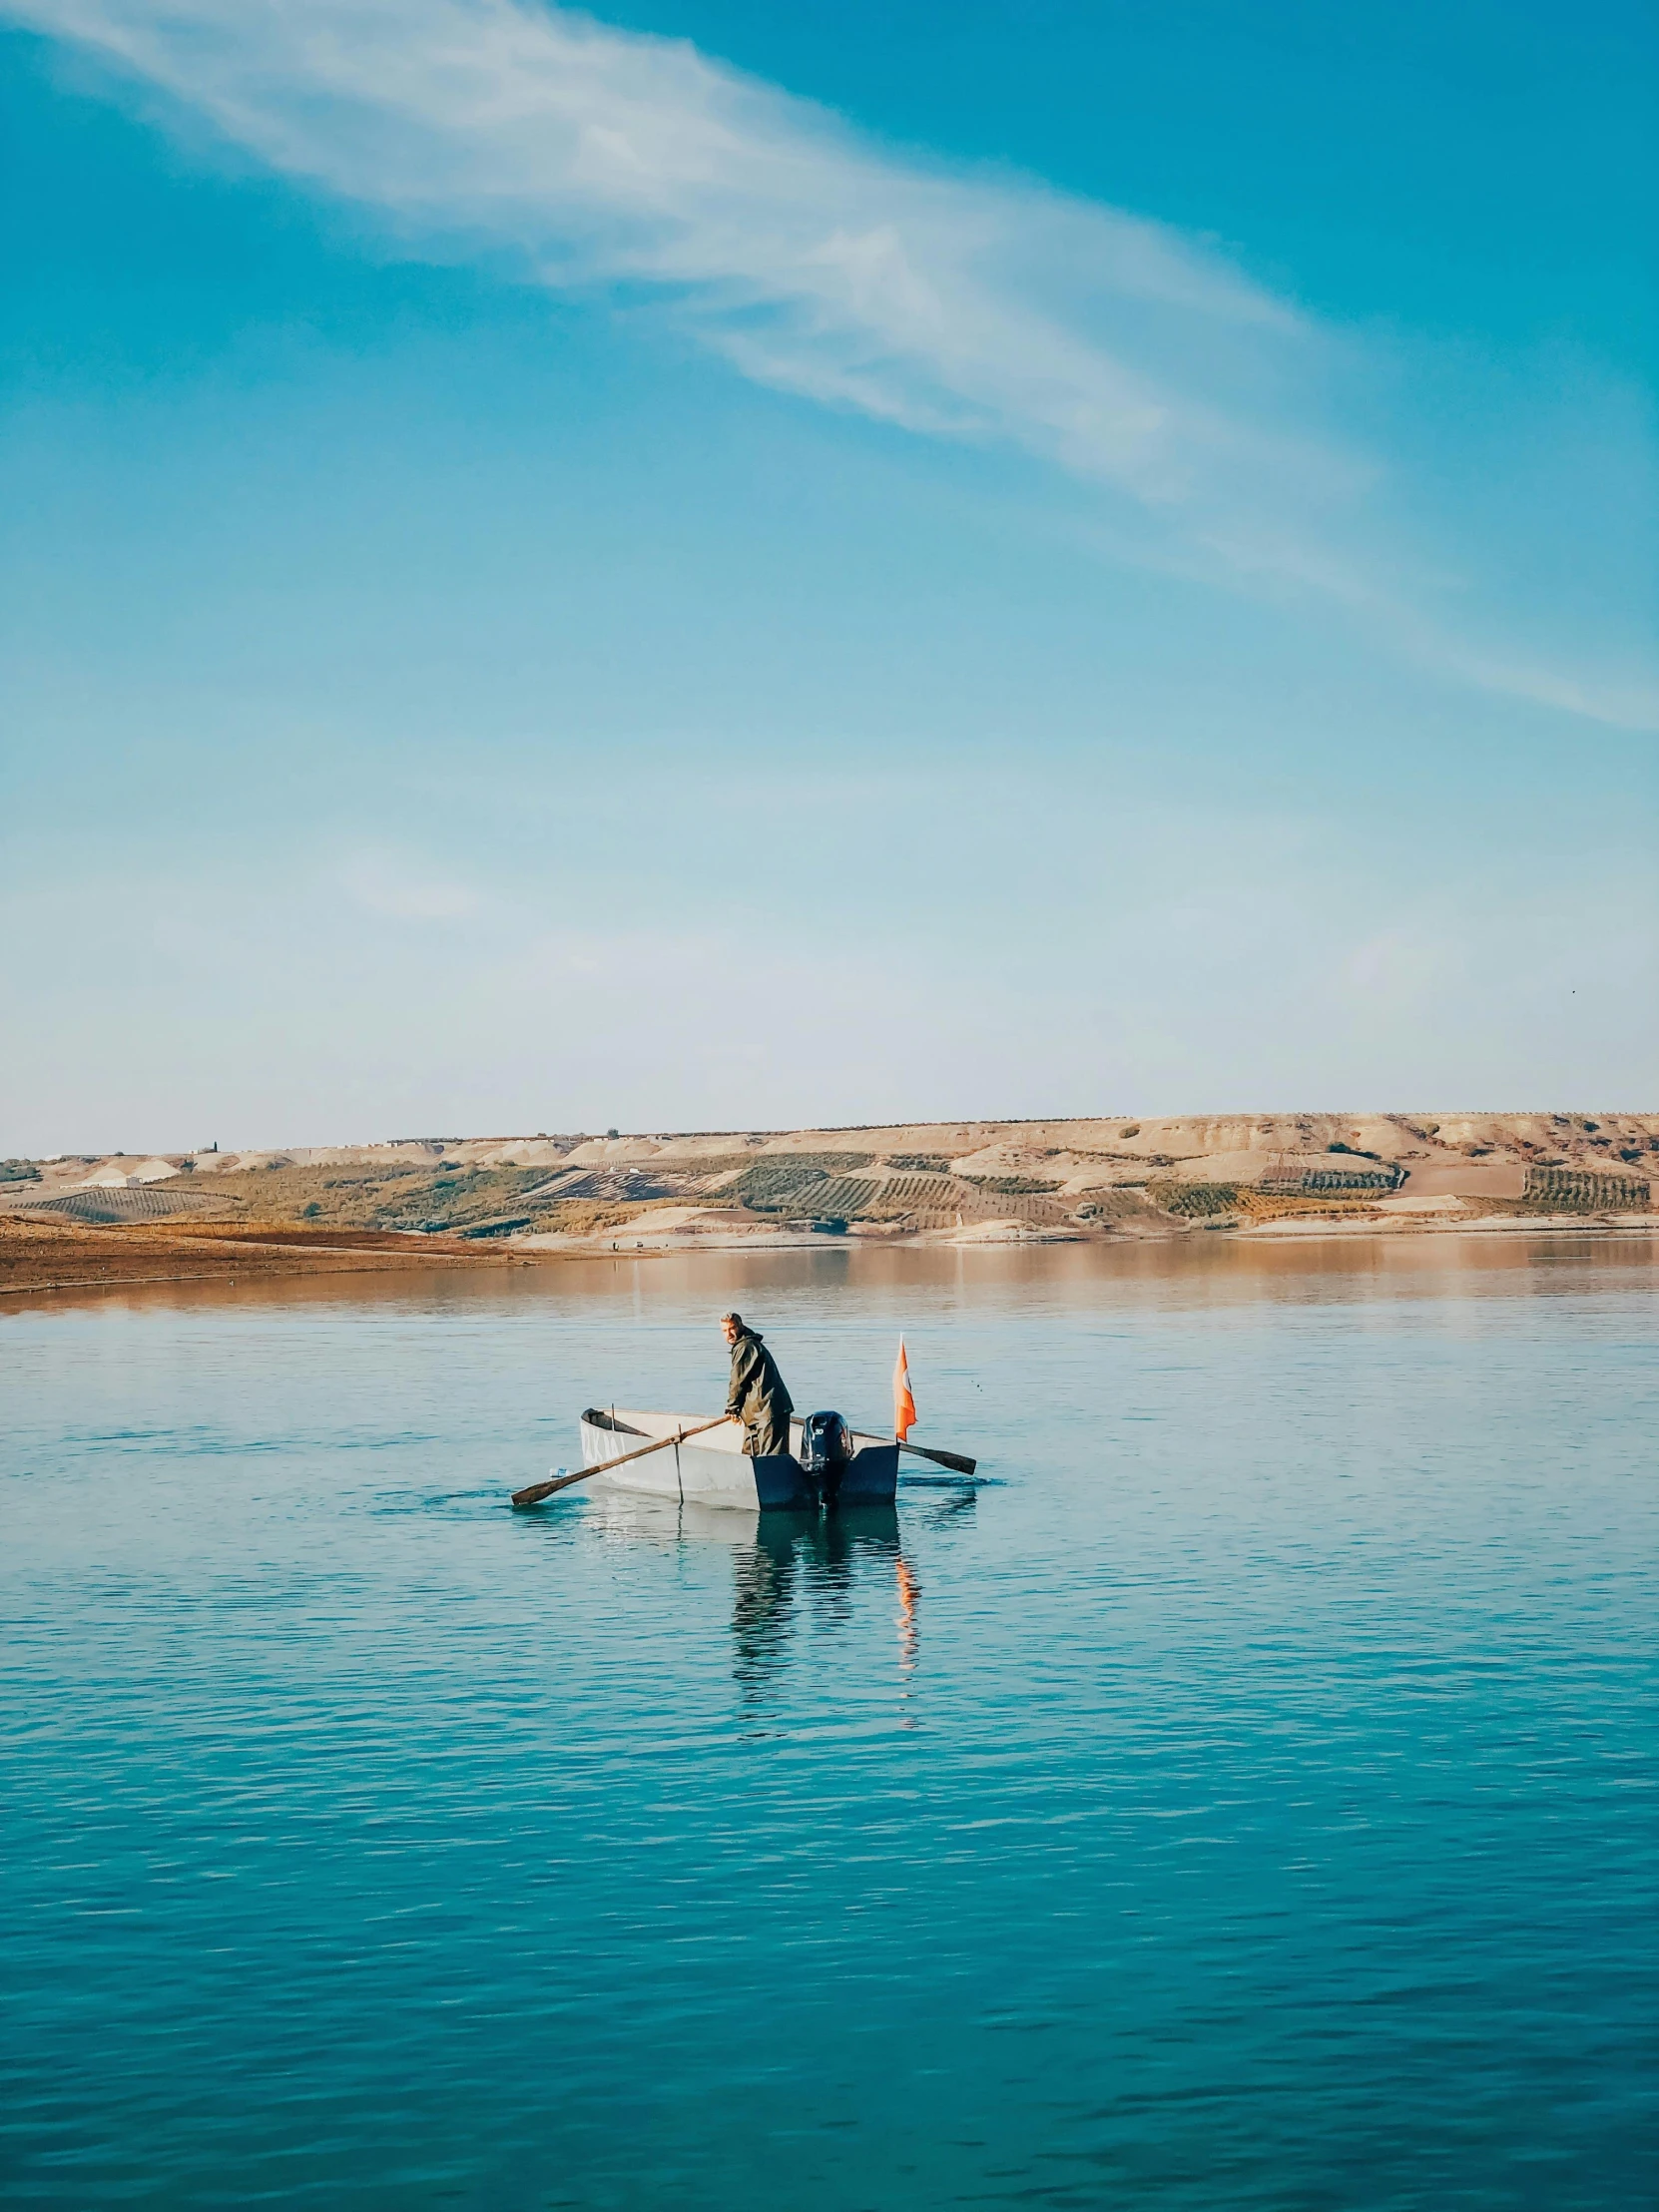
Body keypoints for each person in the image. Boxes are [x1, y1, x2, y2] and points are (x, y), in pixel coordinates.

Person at [722, 1311, 795, 1458]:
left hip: (769, 1411)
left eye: (732, 1328)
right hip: (753, 1414)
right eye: (724, 1330)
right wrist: (736, 1410)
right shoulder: (745, 1345)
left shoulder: (746, 1346)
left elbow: (737, 1381)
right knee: (749, 1458)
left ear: (740, 1326)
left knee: (772, 1460)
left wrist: (731, 1408)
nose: (728, 1334)